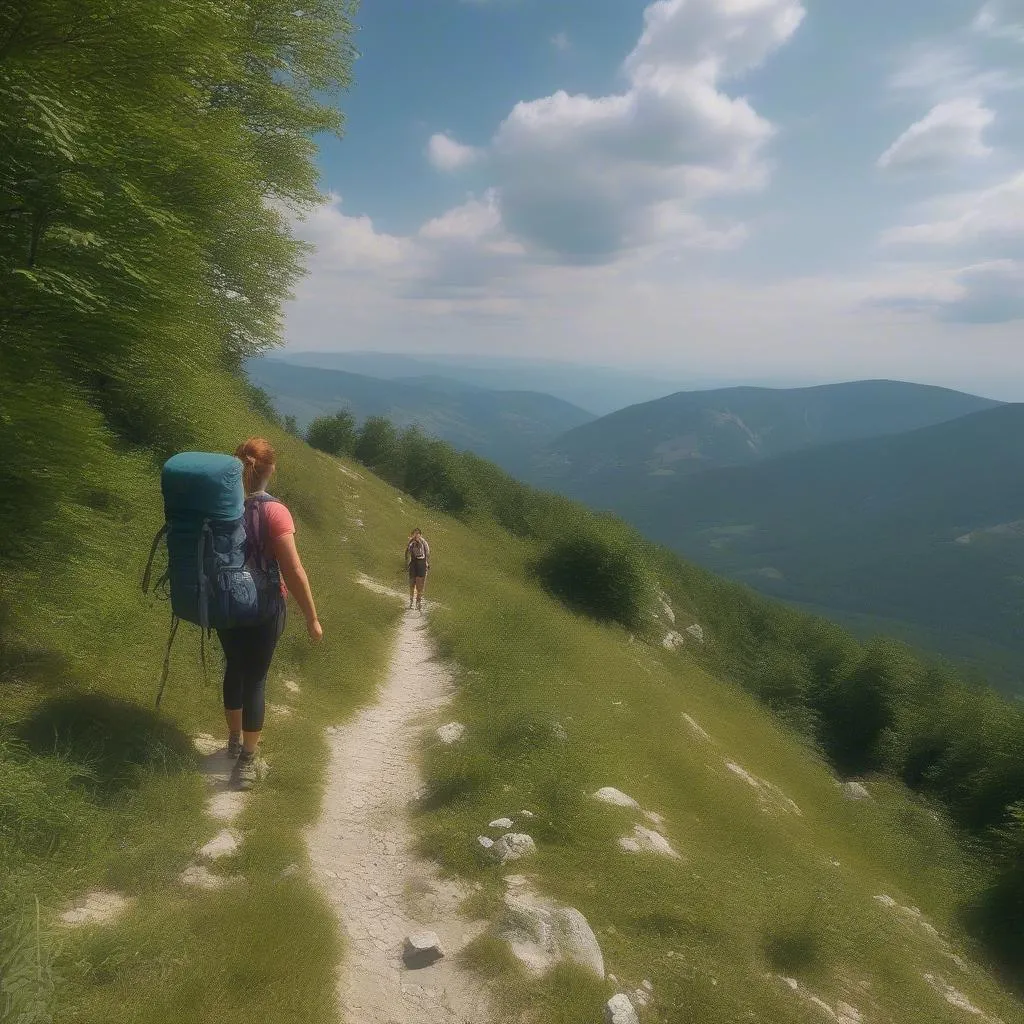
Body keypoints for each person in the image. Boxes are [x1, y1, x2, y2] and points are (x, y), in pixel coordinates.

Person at [218, 438, 322, 789]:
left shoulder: (221, 506)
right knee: (256, 678)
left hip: (227, 602)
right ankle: (247, 761)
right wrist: (312, 617)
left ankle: (233, 741)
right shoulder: (275, 512)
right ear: (270, 469)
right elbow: (293, 571)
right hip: (264, 607)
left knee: (234, 666)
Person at [405, 528, 430, 611]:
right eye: (414, 534)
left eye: (417, 534)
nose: (416, 535)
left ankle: (418, 601)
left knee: (419, 584)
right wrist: (407, 564)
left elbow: (427, 553)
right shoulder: (411, 543)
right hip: (413, 563)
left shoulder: (423, 542)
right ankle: (411, 601)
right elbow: (407, 553)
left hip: (421, 563)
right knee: (412, 583)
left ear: (420, 535)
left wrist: (426, 563)